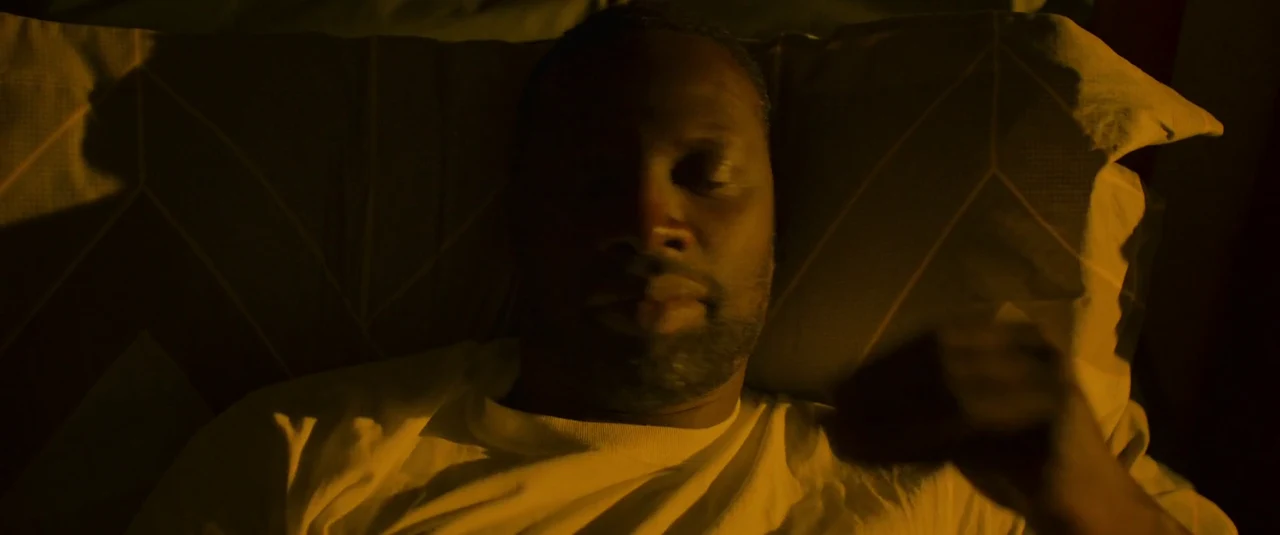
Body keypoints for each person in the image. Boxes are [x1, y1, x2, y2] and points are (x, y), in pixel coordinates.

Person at [127, 4, 1235, 534]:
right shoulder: (309, 459)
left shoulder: (935, 488)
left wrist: (1089, 496)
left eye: (705, 175)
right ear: (519, 217)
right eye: (592, 179)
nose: (649, 218)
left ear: (779, 223)